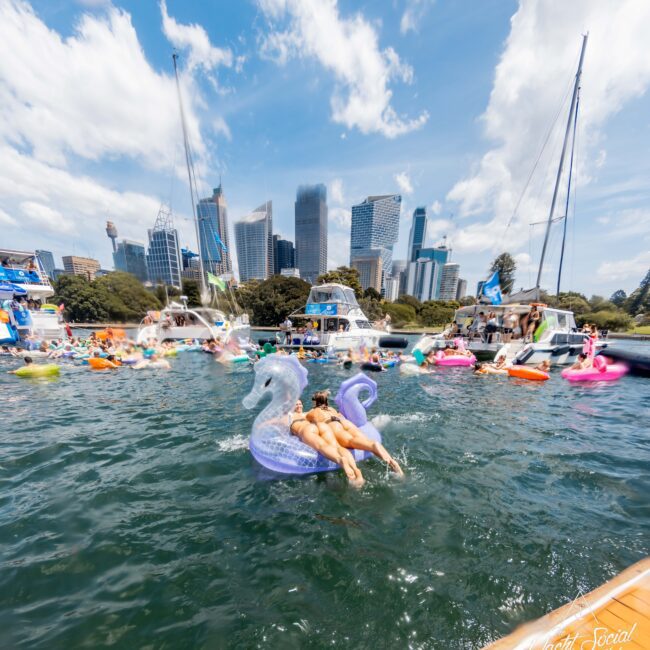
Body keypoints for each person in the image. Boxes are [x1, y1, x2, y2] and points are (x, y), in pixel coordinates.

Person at [306, 391, 404, 476]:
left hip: (333, 425)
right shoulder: (331, 409)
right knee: (363, 441)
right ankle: (391, 462)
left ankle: (373, 447)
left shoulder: (311, 412)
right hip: (344, 423)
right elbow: (340, 415)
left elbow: (305, 422)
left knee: (350, 441)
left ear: (315, 401)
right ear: (325, 401)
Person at [289, 400, 364, 487]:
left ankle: (340, 460)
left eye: (299, 404)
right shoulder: (309, 413)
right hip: (321, 426)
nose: (298, 406)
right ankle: (356, 470)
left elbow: (272, 423)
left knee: (322, 446)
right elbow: (330, 414)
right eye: (297, 404)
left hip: (307, 429)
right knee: (337, 446)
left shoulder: (290, 416)